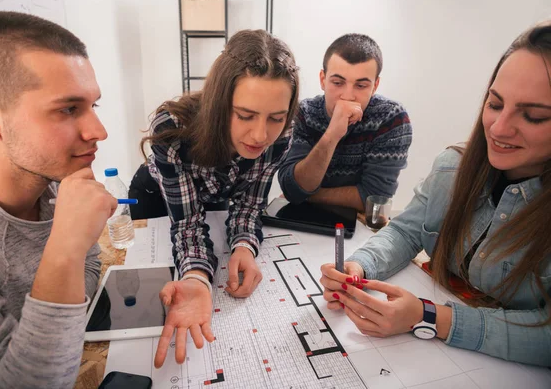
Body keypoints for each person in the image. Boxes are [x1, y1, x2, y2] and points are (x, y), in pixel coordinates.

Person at [320, 21, 551, 366]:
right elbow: (404, 230)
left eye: (533, 116)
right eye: (495, 104)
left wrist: (428, 317)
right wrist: (359, 266)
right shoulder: (451, 167)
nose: (499, 129)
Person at [0, 12, 117, 388]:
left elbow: (91, 268)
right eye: (68, 109)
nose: (99, 131)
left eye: (94, 106)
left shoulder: (56, 181)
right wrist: (64, 252)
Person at [141, 29, 299, 368]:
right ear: (219, 102)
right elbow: (186, 223)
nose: (261, 136)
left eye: (276, 117)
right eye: (244, 115)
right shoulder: (173, 128)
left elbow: (250, 203)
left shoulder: (281, 135)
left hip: (219, 195)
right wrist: (197, 276)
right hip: (157, 196)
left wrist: (244, 246)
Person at [278, 33, 412, 211]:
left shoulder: (391, 119)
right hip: (301, 220)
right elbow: (292, 186)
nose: (348, 96)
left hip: (360, 226)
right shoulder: (303, 113)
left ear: (375, 86)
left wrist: (309, 196)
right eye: (338, 82)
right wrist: (332, 134)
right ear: (323, 80)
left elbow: (374, 198)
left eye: (361, 85)